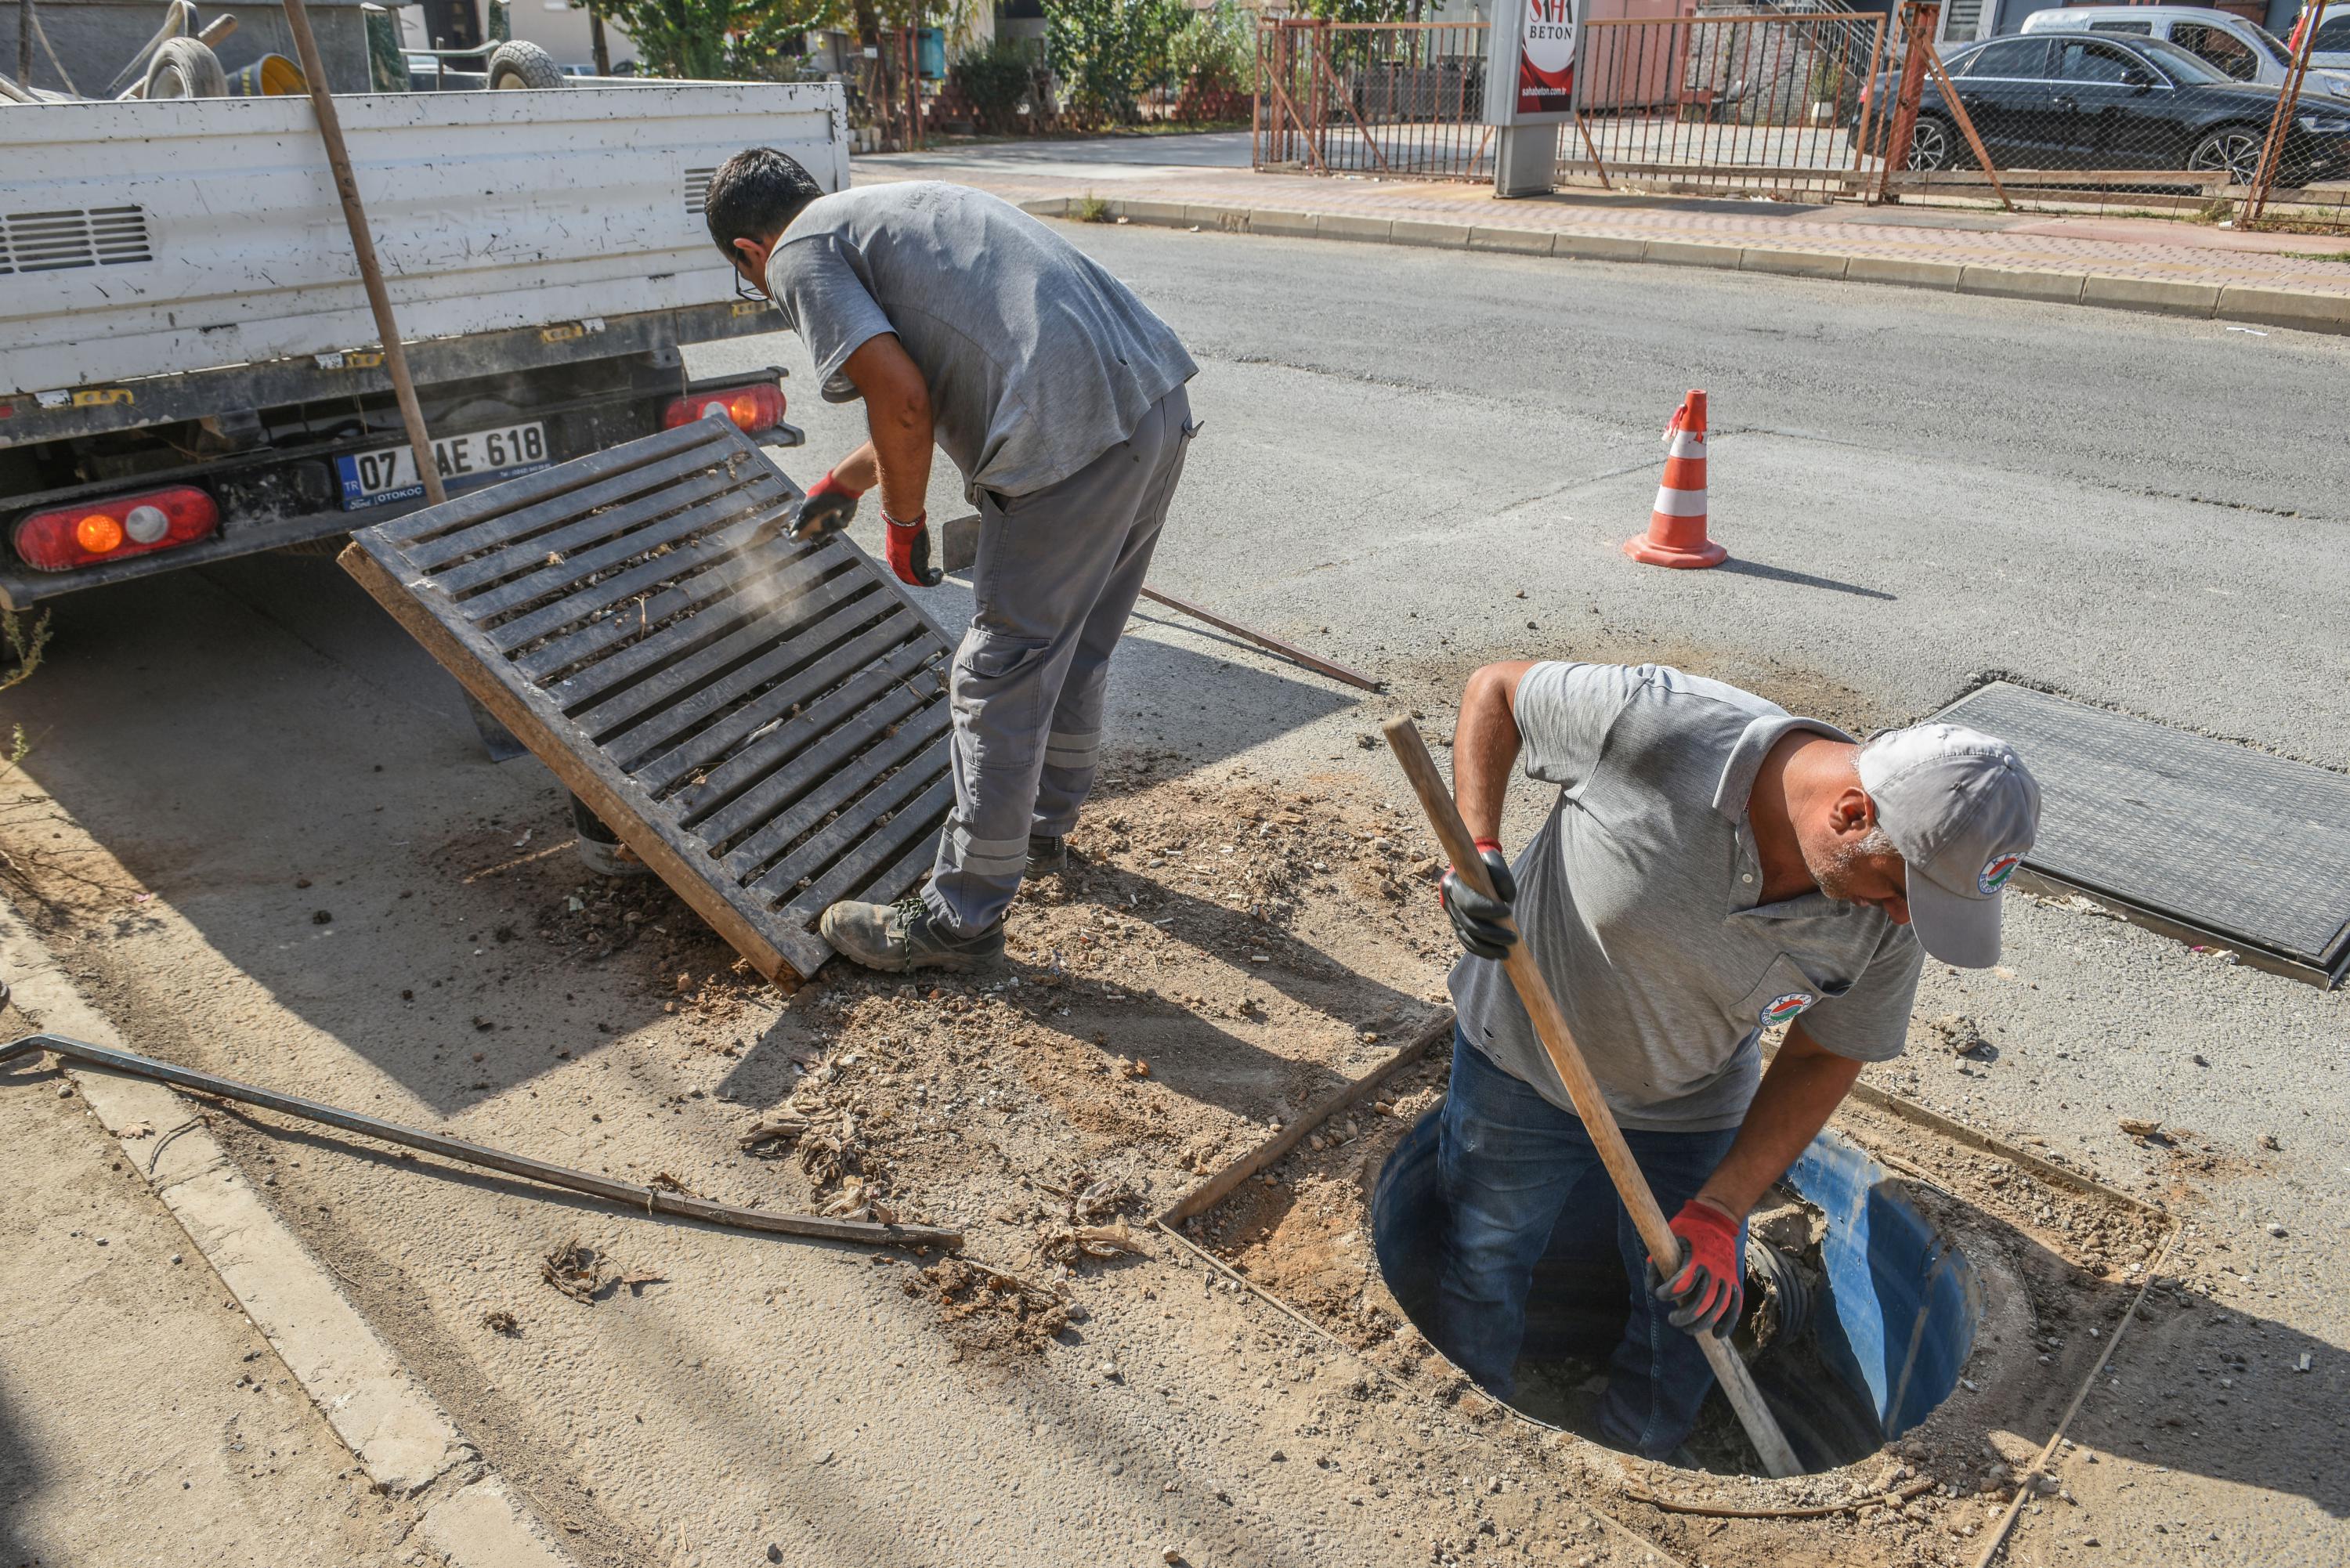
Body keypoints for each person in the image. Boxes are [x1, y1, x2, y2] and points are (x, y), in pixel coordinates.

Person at [1431, 659, 2039, 1461]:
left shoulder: (1891, 923)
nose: (1901, 917)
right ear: (1853, 814)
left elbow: (1829, 1051)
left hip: (1690, 1108)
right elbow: (1497, 694)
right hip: (1518, 1059)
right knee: (1484, 1257)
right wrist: (1475, 847)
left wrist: (1721, 1209)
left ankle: (1641, 1451)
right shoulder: (1661, 726)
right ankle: (1467, 1446)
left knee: (1688, 1311)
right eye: (1901, 890)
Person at [702, 150, 1198, 974]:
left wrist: (903, 520)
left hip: (1063, 435)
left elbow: (902, 401)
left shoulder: (794, 253)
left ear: (750, 254)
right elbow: (930, 380)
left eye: (747, 277)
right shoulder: (887, 209)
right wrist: (844, 484)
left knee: (994, 672)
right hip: (1151, 402)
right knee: (1072, 647)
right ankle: (1038, 834)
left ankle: (959, 918)